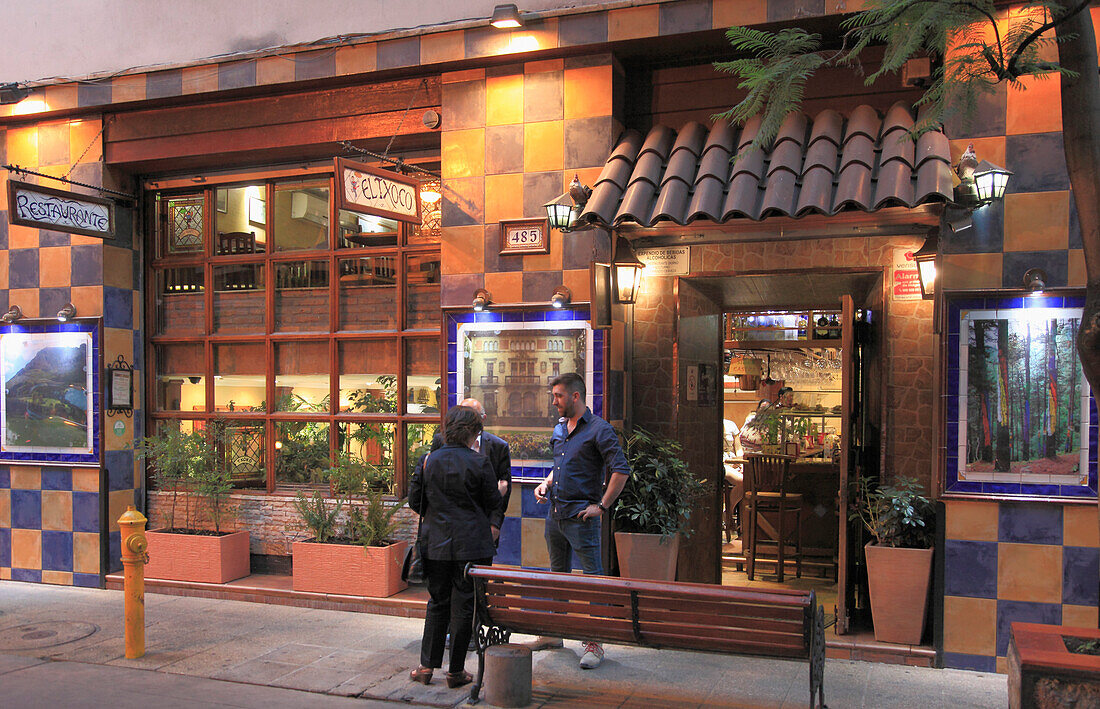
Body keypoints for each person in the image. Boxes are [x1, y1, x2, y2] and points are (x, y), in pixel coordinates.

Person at [531, 372, 630, 670]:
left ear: (576, 396)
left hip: (582, 518)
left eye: (558, 396)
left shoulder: (600, 430)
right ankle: (554, 634)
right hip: (556, 515)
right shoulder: (560, 429)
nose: (554, 401)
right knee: (557, 575)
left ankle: (594, 642)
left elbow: (621, 470)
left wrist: (602, 506)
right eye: (553, 396)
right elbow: (560, 465)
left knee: (593, 580)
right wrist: (546, 483)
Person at [408, 406, 502, 689]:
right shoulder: (480, 463)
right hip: (471, 546)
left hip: (434, 544)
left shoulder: (427, 461)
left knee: (437, 603)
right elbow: (493, 504)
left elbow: (415, 501)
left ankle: (426, 667)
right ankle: (456, 671)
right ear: (473, 432)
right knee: (464, 607)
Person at [430, 398, 511, 544]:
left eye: (470, 416)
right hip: (442, 532)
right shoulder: (439, 444)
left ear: (482, 419)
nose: (464, 421)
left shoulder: (498, 447)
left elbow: (503, 490)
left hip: (481, 531)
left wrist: (495, 523)